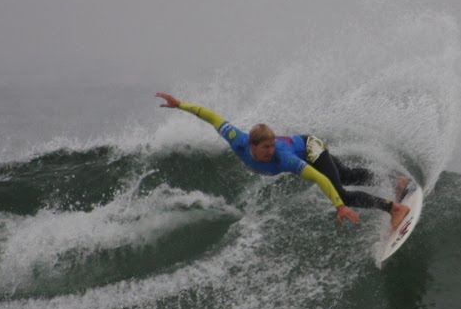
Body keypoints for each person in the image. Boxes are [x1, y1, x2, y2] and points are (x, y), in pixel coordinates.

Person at [156, 93, 410, 228]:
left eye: (272, 145)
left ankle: (394, 209)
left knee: (341, 191)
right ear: (252, 145)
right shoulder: (237, 139)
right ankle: (396, 181)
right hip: (305, 145)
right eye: (265, 147)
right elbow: (212, 117)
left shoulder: (284, 157)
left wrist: (339, 206)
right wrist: (180, 105)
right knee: (346, 174)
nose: (270, 151)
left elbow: (318, 178)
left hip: (311, 148)